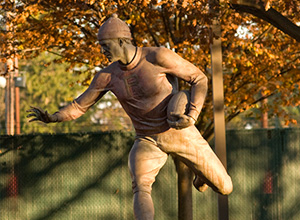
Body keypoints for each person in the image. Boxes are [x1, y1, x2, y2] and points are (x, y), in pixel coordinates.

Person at [27, 14, 232, 220]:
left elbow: (199, 78)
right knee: (141, 186)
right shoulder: (106, 76)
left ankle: (200, 178)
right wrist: (53, 118)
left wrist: (193, 114)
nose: (102, 50)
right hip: (147, 140)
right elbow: (79, 107)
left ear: (122, 41)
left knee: (225, 188)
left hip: (179, 130)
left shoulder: (157, 57)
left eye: (106, 45)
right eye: (101, 45)